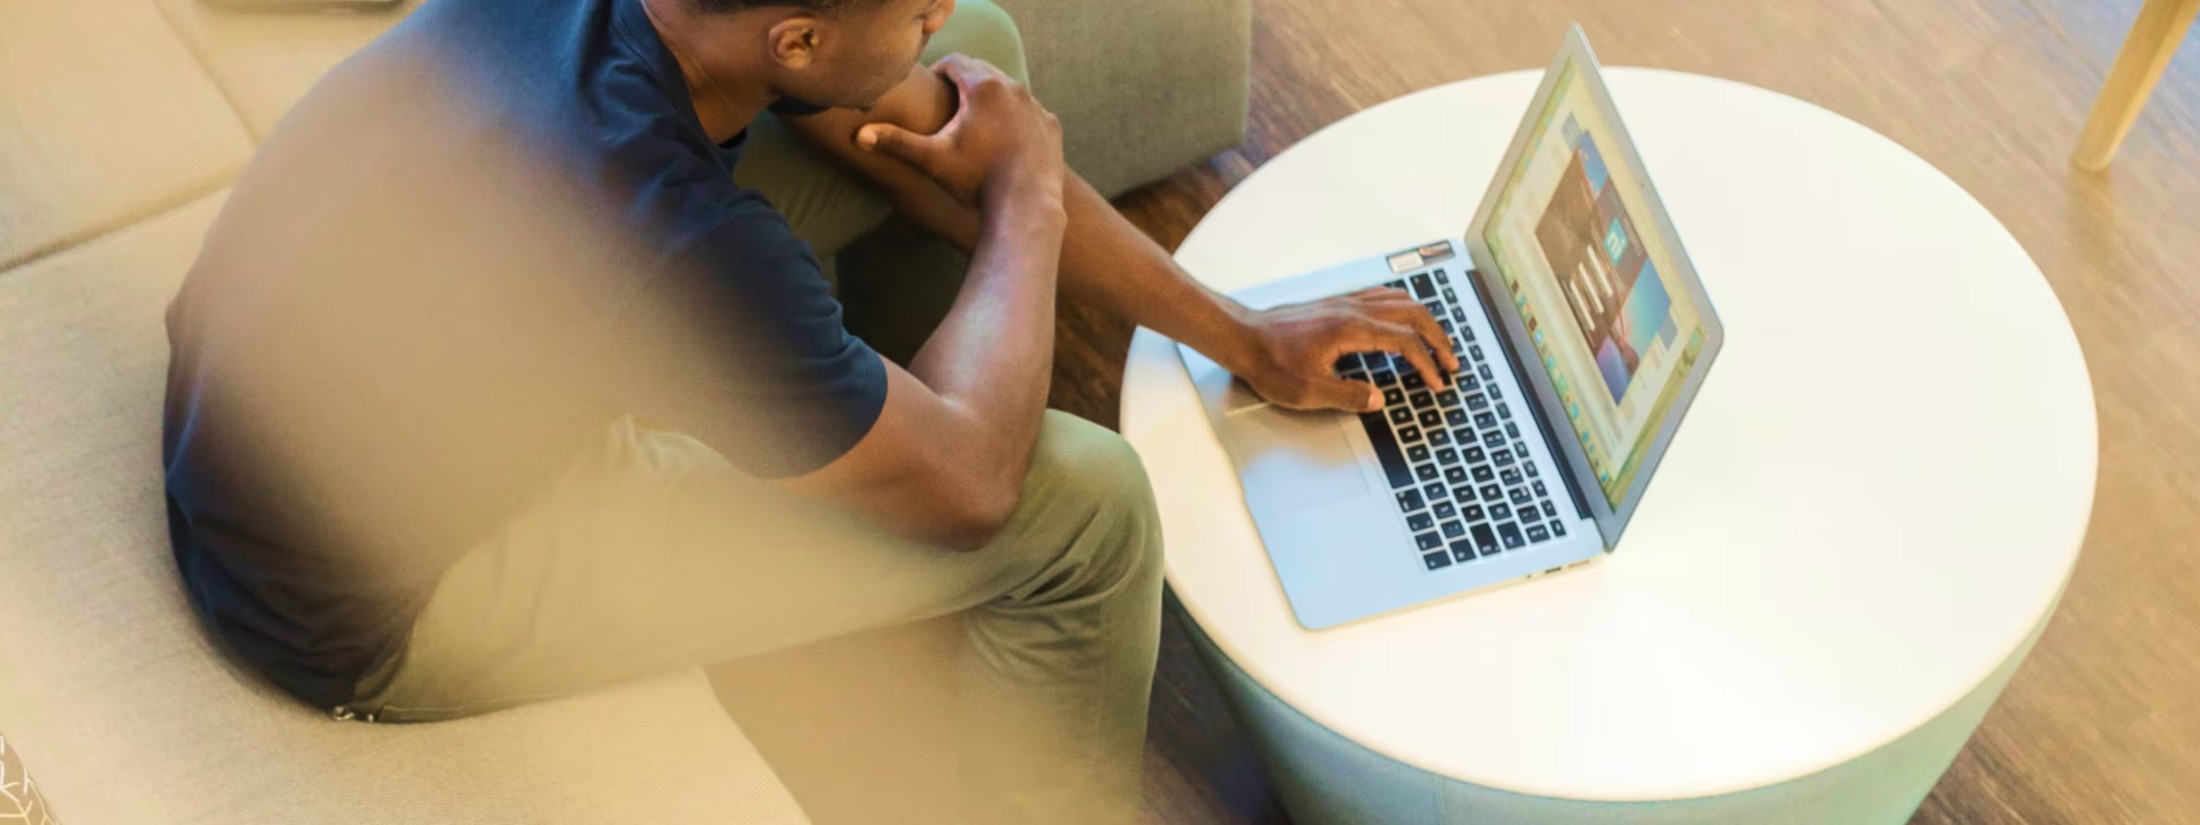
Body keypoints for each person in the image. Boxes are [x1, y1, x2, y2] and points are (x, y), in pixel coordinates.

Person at [159, 0, 1459, 821]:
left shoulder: (657, 31)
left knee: (984, 61)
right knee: (1091, 506)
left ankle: (861, 428)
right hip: (374, 598)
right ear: (792, 42)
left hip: (321, 391)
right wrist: (1031, 199)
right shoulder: (667, 229)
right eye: (910, 4)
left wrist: (1247, 336)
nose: (933, 9)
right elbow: (975, 486)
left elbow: (934, 96)